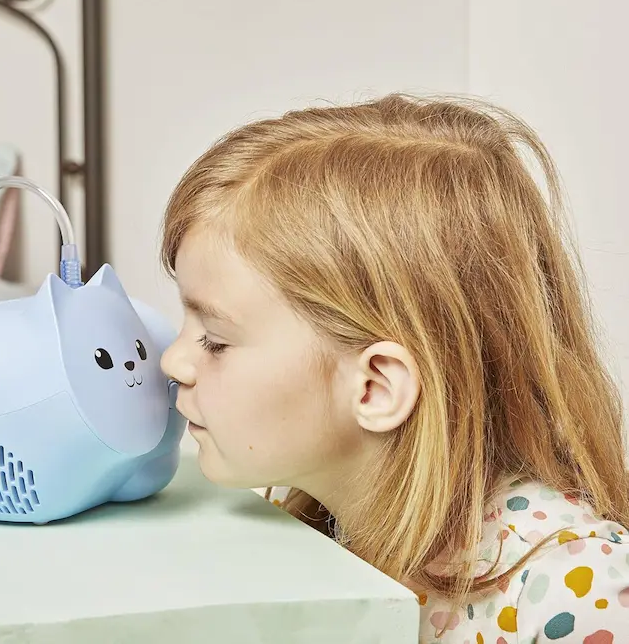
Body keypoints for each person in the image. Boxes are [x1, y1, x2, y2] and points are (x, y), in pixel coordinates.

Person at [159, 93, 629, 642]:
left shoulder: (581, 594)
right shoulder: (304, 513)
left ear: (376, 388)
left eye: (214, 340)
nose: (174, 360)